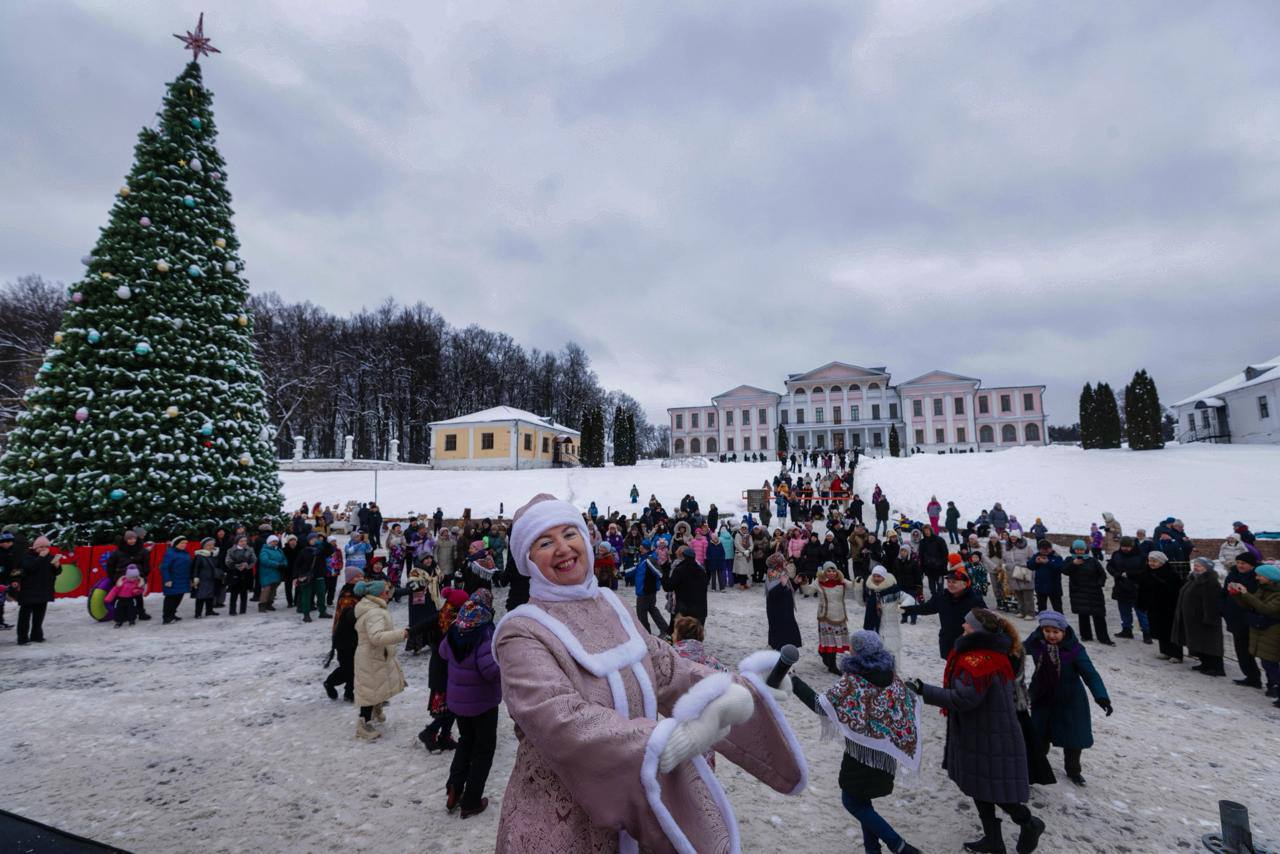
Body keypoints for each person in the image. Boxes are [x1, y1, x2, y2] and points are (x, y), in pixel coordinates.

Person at [492, 493, 806, 852]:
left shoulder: (612, 605)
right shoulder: (521, 632)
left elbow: (669, 669)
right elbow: (560, 720)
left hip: (639, 808)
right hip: (563, 821)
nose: (563, 548)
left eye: (569, 534)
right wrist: (665, 740)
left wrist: (741, 689)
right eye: (545, 542)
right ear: (529, 560)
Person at [910, 608, 1046, 854]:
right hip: (978, 730)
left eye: (968, 624)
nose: (963, 626)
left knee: (996, 791)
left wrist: (923, 690)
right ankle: (993, 840)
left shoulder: (980, 662)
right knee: (978, 786)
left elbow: (964, 698)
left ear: (979, 630)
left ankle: (1029, 823)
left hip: (990, 734)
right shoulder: (985, 654)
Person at [790, 630, 923, 854]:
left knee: (852, 801)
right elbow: (906, 699)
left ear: (857, 651)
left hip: (860, 756)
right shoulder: (891, 676)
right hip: (885, 753)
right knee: (863, 803)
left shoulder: (852, 681)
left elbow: (821, 706)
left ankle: (899, 846)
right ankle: (872, 850)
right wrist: (911, 686)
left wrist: (794, 681)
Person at [1024, 610, 1112, 788]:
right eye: (1047, 631)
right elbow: (1014, 650)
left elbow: (1090, 674)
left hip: (1070, 700)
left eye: (1055, 632)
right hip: (1043, 698)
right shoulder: (1036, 643)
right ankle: (1034, 769)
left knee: (1073, 739)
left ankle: (1073, 771)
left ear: (1064, 631)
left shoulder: (1074, 649)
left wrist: (1101, 696)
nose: (1051, 635)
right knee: (1039, 736)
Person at [441, 589, 502, 819]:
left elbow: (443, 652)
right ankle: (471, 801)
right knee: (484, 750)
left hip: (458, 702)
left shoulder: (457, 627)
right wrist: (504, 662)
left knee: (466, 742)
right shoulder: (484, 631)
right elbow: (490, 671)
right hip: (482, 704)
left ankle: (454, 789)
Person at [353, 578, 408, 740]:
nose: (389, 594)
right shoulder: (374, 612)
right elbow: (376, 637)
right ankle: (363, 724)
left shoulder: (373, 607)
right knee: (370, 690)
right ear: (377, 594)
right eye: (386, 592)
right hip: (371, 657)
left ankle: (376, 709)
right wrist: (402, 634)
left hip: (376, 655)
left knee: (378, 684)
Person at [903, 566, 987, 659]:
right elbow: (926, 608)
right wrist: (907, 610)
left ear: (964, 584)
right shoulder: (942, 597)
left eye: (954, 582)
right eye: (949, 582)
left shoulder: (975, 600)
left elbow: (987, 619)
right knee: (949, 665)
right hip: (947, 642)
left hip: (967, 642)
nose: (950, 585)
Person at [1228, 563, 1280, 706]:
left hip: (1273, 631)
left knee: (1270, 663)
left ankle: (1275, 687)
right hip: (1261, 629)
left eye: (1259, 576)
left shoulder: (1277, 593)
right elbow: (1251, 605)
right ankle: (1273, 687)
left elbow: (1265, 609)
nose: (1257, 578)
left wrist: (1246, 593)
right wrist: (1237, 595)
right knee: (1267, 662)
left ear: (1270, 577)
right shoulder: (1262, 589)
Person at [1169, 557, 1225, 675]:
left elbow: (1211, 602)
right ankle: (1205, 663)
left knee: (1210, 643)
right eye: (1195, 565)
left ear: (1207, 568)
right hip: (1193, 619)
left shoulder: (1210, 582)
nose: (1196, 568)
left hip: (1204, 618)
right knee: (1199, 643)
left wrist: (1210, 618)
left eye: (1199, 566)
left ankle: (1216, 667)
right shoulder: (1193, 579)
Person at [1221, 551, 1265, 689]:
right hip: (1235, 618)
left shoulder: (1258, 577)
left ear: (1252, 565)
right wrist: (1224, 610)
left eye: (1243, 563)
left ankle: (1272, 682)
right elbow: (1224, 594)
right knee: (1241, 650)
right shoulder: (1232, 575)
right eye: (1238, 563)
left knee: (1263, 652)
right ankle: (1252, 677)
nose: (1240, 565)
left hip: (1253, 619)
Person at [1060, 540, 1111, 644]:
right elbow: (1065, 571)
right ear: (1073, 549)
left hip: (1094, 591)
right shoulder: (1070, 560)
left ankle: (1103, 638)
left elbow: (1102, 574)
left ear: (1085, 550)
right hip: (1079, 591)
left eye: (1081, 549)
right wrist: (1073, 564)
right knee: (1083, 614)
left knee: (1099, 615)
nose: (1079, 551)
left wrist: (1099, 584)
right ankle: (1086, 636)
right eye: (1077, 549)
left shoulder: (1093, 560)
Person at [1106, 537, 1151, 642]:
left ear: (1132, 546)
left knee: (1141, 612)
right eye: (1123, 546)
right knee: (1124, 611)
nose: (1125, 548)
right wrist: (1116, 574)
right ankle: (1127, 630)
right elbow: (1110, 566)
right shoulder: (1116, 554)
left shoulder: (1141, 556)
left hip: (1137, 588)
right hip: (1121, 587)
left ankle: (1147, 633)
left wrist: (1130, 574)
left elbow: (1145, 571)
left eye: (1128, 547)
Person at [816, 562, 856, 674]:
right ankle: (832, 666)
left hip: (839, 615)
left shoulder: (842, 581)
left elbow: (852, 586)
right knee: (830, 641)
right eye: (829, 571)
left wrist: (858, 581)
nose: (832, 573)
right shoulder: (819, 582)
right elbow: (808, 590)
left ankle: (825, 656)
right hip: (825, 616)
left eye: (833, 571)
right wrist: (802, 582)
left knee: (835, 641)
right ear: (824, 572)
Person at [1145, 550, 1184, 663]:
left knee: (1171, 630)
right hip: (1155, 606)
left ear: (1161, 562)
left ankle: (1177, 654)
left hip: (1169, 607)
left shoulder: (1171, 573)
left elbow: (1174, 590)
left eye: (1154, 561)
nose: (1151, 563)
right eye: (1150, 561)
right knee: (1160, 629)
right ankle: (1165, 651)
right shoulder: (1150, 572)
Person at [765, 553, 803, 652]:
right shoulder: (772, 574)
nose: (785, 562)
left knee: (787, 636)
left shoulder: (782, 572)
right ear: (777, 563)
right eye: (783, 560)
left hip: (785, 610)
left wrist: (795, 583)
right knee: (780, 638)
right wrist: (781, 585)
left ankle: (785, 653)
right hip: (777, 612)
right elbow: (772, 594)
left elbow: (787, 589)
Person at [668, 545, 709, 626]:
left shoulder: (679, 569)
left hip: (684, 609)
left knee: (683, 631)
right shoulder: (701, 570)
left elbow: (670, 586)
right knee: (696, 631)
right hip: (700, 609)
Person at [633, 547, 669, 638]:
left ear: (646, 549)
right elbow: (636, 569)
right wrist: (623, 572)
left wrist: (664, 581)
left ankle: (645, 634)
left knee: (641, 613)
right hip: (646, 590)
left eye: (642, 547)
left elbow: (659, 573)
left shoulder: (649, 560)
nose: (640, 549)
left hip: (645, 591)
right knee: (652, 609)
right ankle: (664, 629)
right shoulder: (643, 559)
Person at [158, 536, 192, 624]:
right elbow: (164, 567)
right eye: (182, 543)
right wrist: (167, 579)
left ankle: (172, 614)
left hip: (183, 579)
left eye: (185, 543)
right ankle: (166, 617)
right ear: (176, 544)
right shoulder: (170, 553)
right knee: (170, 599)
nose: (184, 545)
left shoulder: (185, 553)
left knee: (178, 597)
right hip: (172, 580)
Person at [224, 534, 257, 617]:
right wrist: (237, 565)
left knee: (244, 592)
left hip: (246, 573)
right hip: (235, 573)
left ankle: (243, 609)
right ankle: (232, 610)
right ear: (237, 542)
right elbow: (228, 561)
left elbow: (254, 559)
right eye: (241, 541)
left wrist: (247, 565)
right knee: (234, 593)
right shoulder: (231, 550)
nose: (243, 542)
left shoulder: (249, 549)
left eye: (245, 541)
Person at [1028, 540, 1063, 614]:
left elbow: (1060, 568)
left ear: (1051, 548)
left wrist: (1047, 562)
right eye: (1043, 549)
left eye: (1047, 549)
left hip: (1054, 588)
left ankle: (1060, 621)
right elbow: (1029, 566)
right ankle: (1042, 621)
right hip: (1040, 587)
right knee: (1042, 609)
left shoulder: (1057, 557)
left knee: (1058, 609)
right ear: (1039, 549)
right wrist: (1035, 562)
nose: (1045, 551)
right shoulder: (1037, 556)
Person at [191, 538, 221, 619]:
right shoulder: (199, 556)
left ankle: (209, 610)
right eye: (208, 545)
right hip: (202, 578)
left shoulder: (214, 555)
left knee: (210, 595)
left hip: (212, 578)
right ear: (204, 546)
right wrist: (195, 577)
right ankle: (198, 613)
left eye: (212, 545)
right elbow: (195, 567)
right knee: (200, 596)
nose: (211, 546)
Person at [1007, 536, 1035, 619]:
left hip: (1024, 572)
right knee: (1018, 594)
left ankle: (1030, 613)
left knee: (1027, 594)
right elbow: (1005, 559)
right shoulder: (1008, 548)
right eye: (1011, 537)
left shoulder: (1027, 548)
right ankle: (1021, 611)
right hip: (1013, 573)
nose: (1013, 538)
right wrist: (1006, 566)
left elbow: (1033, 560)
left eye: (1014, 537)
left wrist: (1025, 564)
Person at [257, 535, 288, 612]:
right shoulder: (264, 550)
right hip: (267, 573)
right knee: (266, 589)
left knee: (274, 589)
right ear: (269, 542)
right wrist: (277, 564)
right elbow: (264, 561)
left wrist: (284, 564)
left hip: (277, 572)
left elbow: (284, 559)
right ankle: (262, 605)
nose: (275, 543)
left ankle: (269, 603)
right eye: (273, 541)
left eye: (276, 541)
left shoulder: (279, 550)